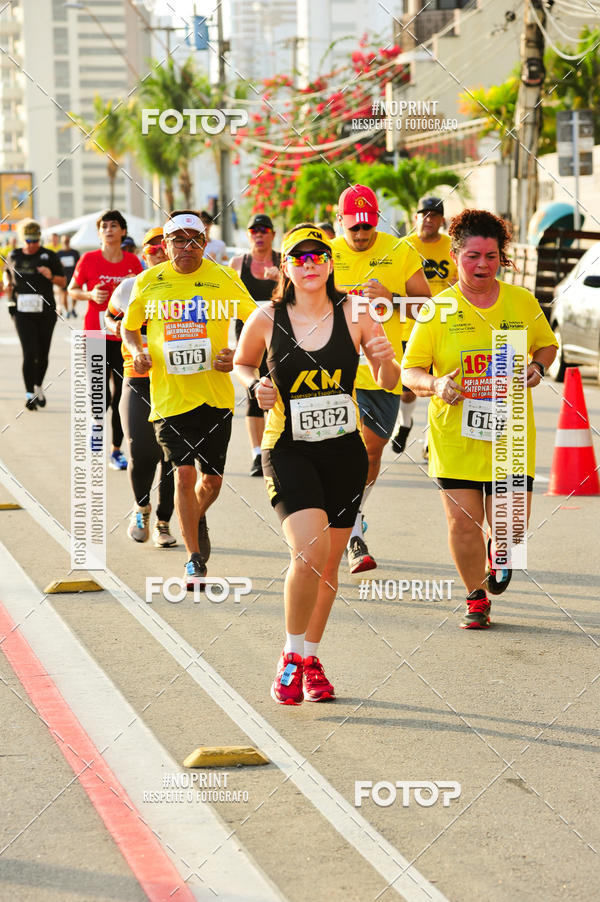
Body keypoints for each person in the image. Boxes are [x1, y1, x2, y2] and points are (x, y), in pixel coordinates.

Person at [234, 224, 400, 705]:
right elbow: (242, 364)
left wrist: (387, 361)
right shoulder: (266, 317)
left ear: (330, 264)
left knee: (328, 565)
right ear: (285, 267)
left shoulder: (357, 313)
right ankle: (289, 656)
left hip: (343, 451)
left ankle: (311, 657)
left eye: (317, 256)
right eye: (299, 257)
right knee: (306, 553)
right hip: (288, 448)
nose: (309, 264)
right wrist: (252, 385)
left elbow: (390, 377)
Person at [401, 209, 557, 629]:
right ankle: (476, 597)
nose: (482, 264)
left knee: (510, 529)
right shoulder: (437, 310)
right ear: (455, 256)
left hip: (510, 435)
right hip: (456, 436)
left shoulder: (521, 302)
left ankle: (501, 553)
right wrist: (435, 386)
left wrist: (537, 369)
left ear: (501, 257)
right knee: (463, 524)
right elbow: (410, 370)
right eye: (473, 256)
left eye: (490, 256)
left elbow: (547, 346)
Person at [122, 210, 256, 586]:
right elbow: (129, 327)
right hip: (170, 397)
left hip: (214, 396)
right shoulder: (149, 281)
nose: (186, 247)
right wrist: (137, 351)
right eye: (178, 240)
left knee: (210, 483)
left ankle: (193, 516)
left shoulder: (224, 278)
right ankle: (194, 558)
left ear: (205, 243)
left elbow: (257, 322)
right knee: (182, 474)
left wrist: (237, 353)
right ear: (165, 246)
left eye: (194, 240)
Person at [331, 184, 430, 573]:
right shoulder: (325, 255)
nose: (360, 234)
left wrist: (392, 298)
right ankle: (352, 531)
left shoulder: (400, 250)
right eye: (353, 227)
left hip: (384, 371)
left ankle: (351, 513)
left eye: (367, 226)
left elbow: (426, 305)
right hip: (336, 372)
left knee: (371, 453)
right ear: (340, 221)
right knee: (344, 451)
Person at [105, 227, 176, 548]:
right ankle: (142, 507)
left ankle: (163, 522)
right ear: (144, 254)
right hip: (137, 377)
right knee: (142, 451)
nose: (159, 253)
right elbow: (109, 317)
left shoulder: (184, 288)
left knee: (173, 457)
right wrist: (120, 328)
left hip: (177, 380)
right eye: (152, 249)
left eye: (164, 247)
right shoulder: (129, 288)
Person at [68, 210, 143, 470]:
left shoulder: (134, 262)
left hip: (123, 336)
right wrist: (90, 295)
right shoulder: (88, 259)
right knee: (98, 389)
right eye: (104, 226)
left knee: (122, 393)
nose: (109, 230)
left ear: (123, 231)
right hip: (96, 333)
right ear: (99, 233)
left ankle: (116, 450)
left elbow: (143, 293)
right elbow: (72, 290)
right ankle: (96, 425)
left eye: (114, 226)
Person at [392, 197, 458, 459]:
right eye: (424, 214)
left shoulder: (452, 247)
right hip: (410, 328)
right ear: (415, 218)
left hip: (446, 324)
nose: (429, 219)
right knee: (407, 392)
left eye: (435, 215)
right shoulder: (403, 247)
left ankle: (432, 439)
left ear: (442, 220)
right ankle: (405, 423)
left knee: (442, 383)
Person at [230, 213, 281, 476]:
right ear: (249, 235)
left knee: (281, 391)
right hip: (249, 337)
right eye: (254, 231)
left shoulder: (284, 262)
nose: (258, 235)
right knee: (254, 393)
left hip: (281, 336)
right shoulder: (239, 263)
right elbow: (227, 299)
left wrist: (281, 280)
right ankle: (257, 454)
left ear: (272, 234)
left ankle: (281, 448)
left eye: (264, 230)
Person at [3, 219, 65, 410]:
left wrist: (50, 276)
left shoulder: (49, 256)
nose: (32, 245)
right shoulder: (14, 255)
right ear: (23, 240)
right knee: (29, 353)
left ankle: (38, 385)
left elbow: (63, 282)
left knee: (43, 354)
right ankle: (30, 393)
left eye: (35, 240)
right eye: (28, 241)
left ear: (40, 239)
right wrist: (7, 282)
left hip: (45, 311)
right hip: (22, 311)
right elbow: (7, 271)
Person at [56, 234, 80, 318]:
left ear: (69, 241)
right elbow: (56, 266)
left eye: (67, 241)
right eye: (64, 241)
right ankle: (66, 311)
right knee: (64, 295)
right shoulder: (59, 253)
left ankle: (73, 309)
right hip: (63, 277)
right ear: (61, 242)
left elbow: (79, 265)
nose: (66, 242)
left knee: (74, 294)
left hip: (74, 277)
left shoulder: (74, 252)